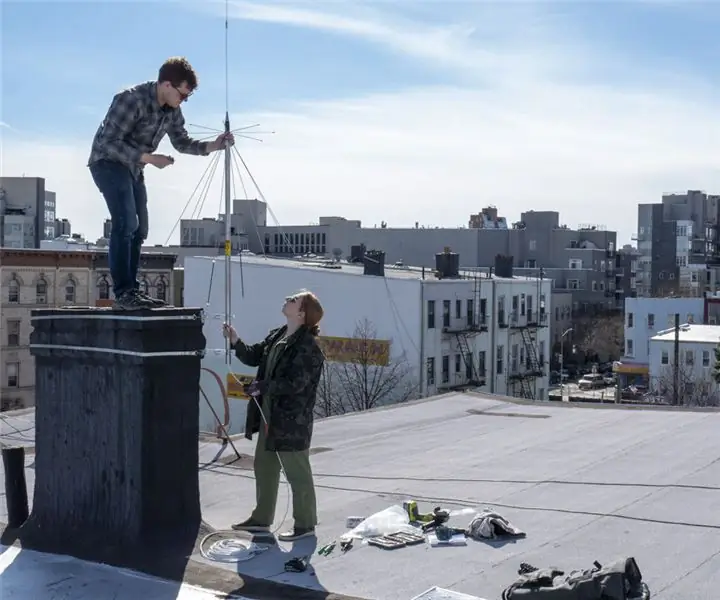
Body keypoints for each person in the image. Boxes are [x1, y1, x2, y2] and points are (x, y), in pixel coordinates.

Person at [88, 56, 234, 310]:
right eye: (182, 95)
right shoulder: (130, 99)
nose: (183, 100)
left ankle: (132, 291)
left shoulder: (172, 111)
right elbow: (109, 143)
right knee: (125, 222)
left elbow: (182, 141)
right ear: (166, 84)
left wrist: (214, 145)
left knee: (140, 229)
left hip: (133, 168)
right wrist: (149, 158)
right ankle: (123, 294)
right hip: (107, 164)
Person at [222, 290, 325, 542]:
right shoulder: (278, 335)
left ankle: (305, 524)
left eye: (293, 300)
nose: (287, 300)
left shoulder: (308, 346)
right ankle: (261, 518)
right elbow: (254, 355)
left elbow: (296, 383)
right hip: (269, 415)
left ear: (302, 313)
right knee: (264, 467)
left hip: (291, 420)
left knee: (297, 473)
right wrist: (236, 341)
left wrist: (263, 386)